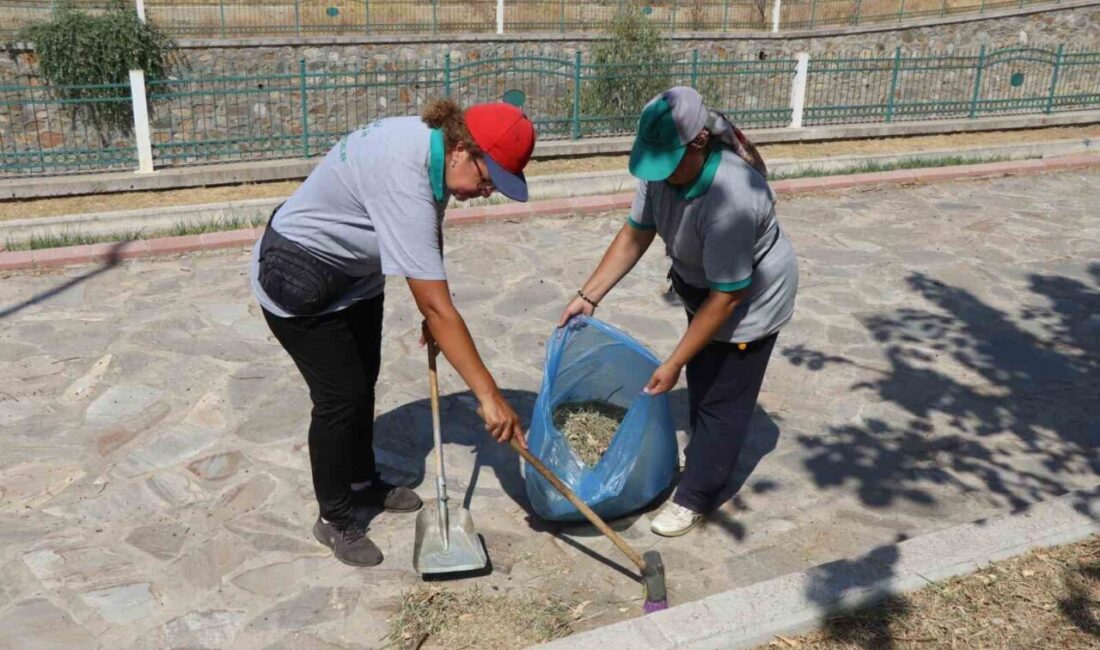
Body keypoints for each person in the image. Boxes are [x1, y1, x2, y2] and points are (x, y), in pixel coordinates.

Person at [251, 99, 533, 566]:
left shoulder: (434, 150)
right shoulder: (404, 171)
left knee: (364, 381)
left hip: (355, 277)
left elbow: (427, 227)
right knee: (340, 396)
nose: (488, 192)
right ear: (463, 149)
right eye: (489, 179)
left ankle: (362, 482)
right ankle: (334, 517)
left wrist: (432, 301)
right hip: (299, 276)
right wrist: (488, 395)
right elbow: (438, 301)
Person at [558, 87, 799, 537]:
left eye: (669, 163)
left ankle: (696, 495)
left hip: (750, 302)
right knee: (703, 377)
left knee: (724, 397)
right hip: (705, 287)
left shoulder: (731, 198)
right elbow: (636, 233)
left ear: (699, 141)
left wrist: (672, 363)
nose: (662, 174)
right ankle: (703, 456)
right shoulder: (660, 169)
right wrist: (588, 295)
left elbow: (727, 298)